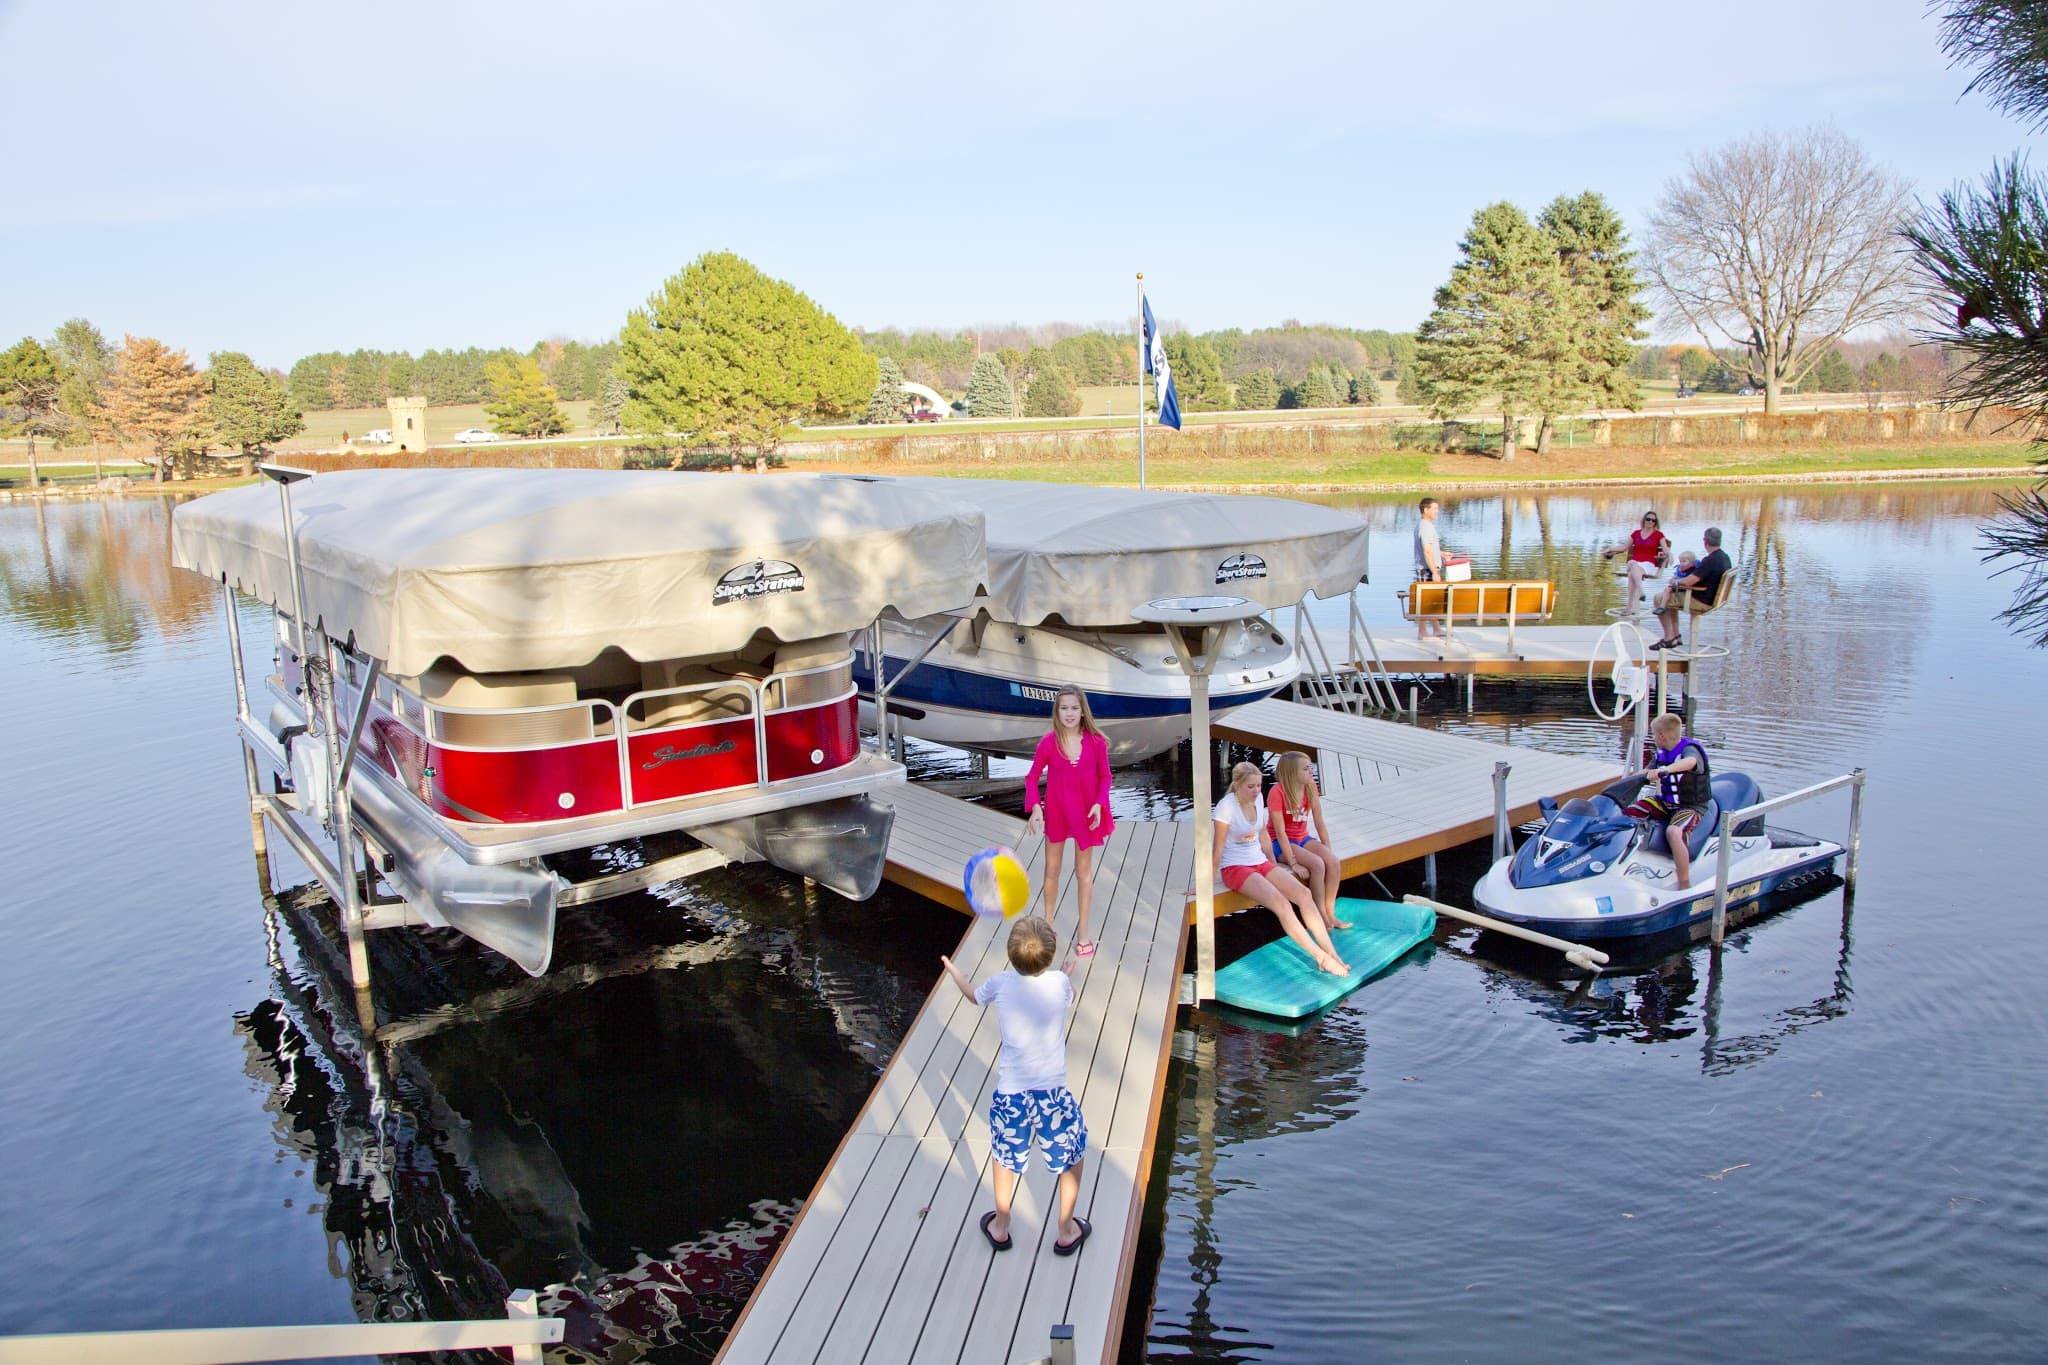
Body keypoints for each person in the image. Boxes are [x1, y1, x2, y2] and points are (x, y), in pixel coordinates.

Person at [942, 917, 1091, 1257]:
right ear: (1050, 957)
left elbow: (972, 996)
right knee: (1072, 1155)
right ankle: (1067, 1229)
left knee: (1005, 1157)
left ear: (1011, 956)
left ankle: (1001, 1224)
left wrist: (956, 973)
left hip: (1011, 1095)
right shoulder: (1059, 983)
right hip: (1052, 1095)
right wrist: (1065, 975)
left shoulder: (1000, 983)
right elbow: (1065, 994)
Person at [1215, 761, 1349, 976]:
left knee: (1304, 895)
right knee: (1282, 904)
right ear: (1237, 784)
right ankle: (1320, 957)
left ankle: (1333, 954)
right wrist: (1204, 882)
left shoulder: (1258, 800)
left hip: (1260, 861)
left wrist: (1274, 867)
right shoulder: (1226, 807)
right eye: (1251, 787)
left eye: (1259, 785)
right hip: (1235, 867)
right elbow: (1217, 847)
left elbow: (1264, 837)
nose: (1256, 791)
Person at [1024, 684, 1113, 959]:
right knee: (1052, 869)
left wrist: (1099, 803)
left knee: (1083, 871)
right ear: (1057, 711)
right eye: (1064, 708)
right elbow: (1031, 778)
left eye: (1075, 708)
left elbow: (1105, 777)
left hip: (1087, 813)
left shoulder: (1096, 742)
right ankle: (1048, 926)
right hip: (1058, 812)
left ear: (1083, 711)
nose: (1070, 713)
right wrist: (1036, 808)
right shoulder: (1049, 742)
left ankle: (1083, 933)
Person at [1624, 713, 1712, 889]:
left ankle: (1684, 881)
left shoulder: (1689, 750)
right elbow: (1647, 771)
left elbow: (1690, 762)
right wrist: (1626, 782)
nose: (1654, 738)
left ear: (1662, 736)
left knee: (1673, 832)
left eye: (1654, 735)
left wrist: (1666, 770)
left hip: (1690, 806)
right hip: (1665, 802)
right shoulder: (1661, 753)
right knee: (1630, 812)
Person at [1266, 752, 1348, 930]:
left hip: (1302, 838)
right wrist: (1293, 863)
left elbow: (1319, 822)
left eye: (1310, 767)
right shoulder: (1277, 793)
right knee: (1317, 864)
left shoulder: (1310, 787)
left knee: (1332, 862)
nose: (1311, 771)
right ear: (1291, 773)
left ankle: (1330, 912)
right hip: (1281, 842)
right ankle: (1321, 917)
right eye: (1305, 769)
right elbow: (1280, 832)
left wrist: (1328, 848)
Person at [1651, 526, 1731, 650]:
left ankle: (1668, 639)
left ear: (1705, 542)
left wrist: (1676, 582)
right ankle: (1676, 636)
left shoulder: (1710, 560)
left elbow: (1690, 581)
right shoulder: (1725, 558)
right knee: (1670, 599)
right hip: (1713, 599)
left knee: (1659, 598)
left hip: (1701, 601)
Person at [1600, 511, 1671, 614]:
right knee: (1632, 564)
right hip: (1635, 564)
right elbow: (1624, 547)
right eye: (1648, 519)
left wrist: (1669, 554)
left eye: (1653, 520)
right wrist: (1610, 548)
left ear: (1655, 522)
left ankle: (1629, 607)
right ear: (1644, 520)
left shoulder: (1658, 535)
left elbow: (1665, 548)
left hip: (1648, 565)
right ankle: (1641, 592)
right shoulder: (1636, 533)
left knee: (1632, 570)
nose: (1650, 522)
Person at [1413, 496, 1445, 639]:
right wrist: (1435, 572)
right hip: (1427, 569)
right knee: (1427, 601)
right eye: (1434, 509)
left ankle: (1436, 628)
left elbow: (1430, 548)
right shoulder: (1425, 527)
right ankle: (1422, 631)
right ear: (1425, 510)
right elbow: (1426, 550)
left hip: (1428, 567)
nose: (1437, 511)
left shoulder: (1425, 525)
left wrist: (1442, 554)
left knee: (1430, 600)